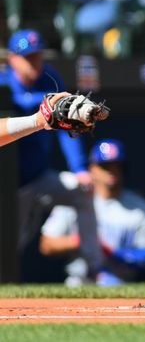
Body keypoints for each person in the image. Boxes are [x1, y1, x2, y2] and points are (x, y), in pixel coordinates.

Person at [0, 30, 103, 280]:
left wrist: (79, 168)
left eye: (38, 56)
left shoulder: (49, 79)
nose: (35, 62)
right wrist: (44, 107)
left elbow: (63, 129)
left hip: (40, 176)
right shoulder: (4, 82)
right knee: (10, 244)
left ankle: (95, 269)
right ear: (12, 59)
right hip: (11, 187)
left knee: (83, 190)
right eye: (28, 57)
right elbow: (18, 103)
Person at [39, 139, 145, 286]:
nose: (112, 171)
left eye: (117, 165)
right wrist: (81, 240)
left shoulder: (139, 206)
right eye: (105, 166)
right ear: (92, 168)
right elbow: (46, 245)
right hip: (79, 282)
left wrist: (114, 253)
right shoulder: (75, 199)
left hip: (121, 283)